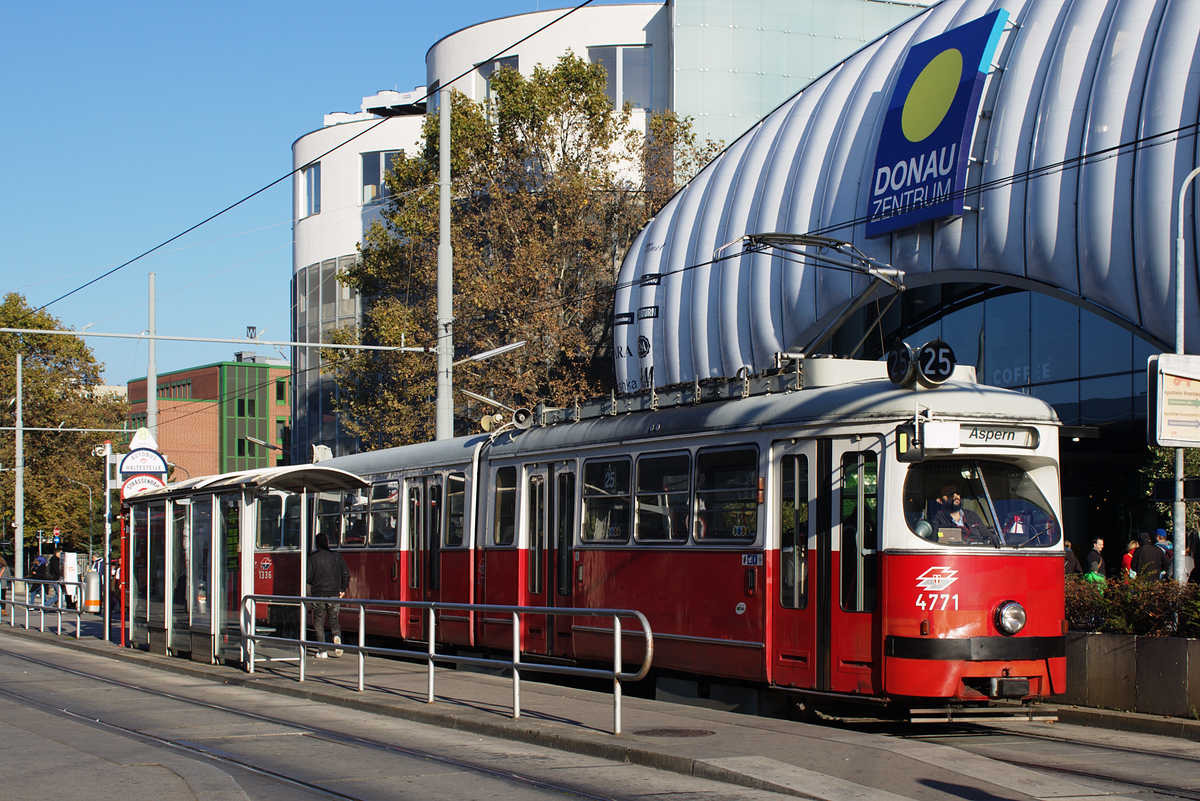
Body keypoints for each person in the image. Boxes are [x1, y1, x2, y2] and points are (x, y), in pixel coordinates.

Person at [306, 532, 349, 658]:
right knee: (333, 618)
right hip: (334, 593)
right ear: (328, 543)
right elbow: (346, 574)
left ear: (316, 544)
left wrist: (315, 581)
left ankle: (322, 651)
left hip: (318, 594)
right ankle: (336, 636)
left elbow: (308, 578)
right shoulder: (336, 556)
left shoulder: (313, 558)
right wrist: (342, 589)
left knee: (318, 622)